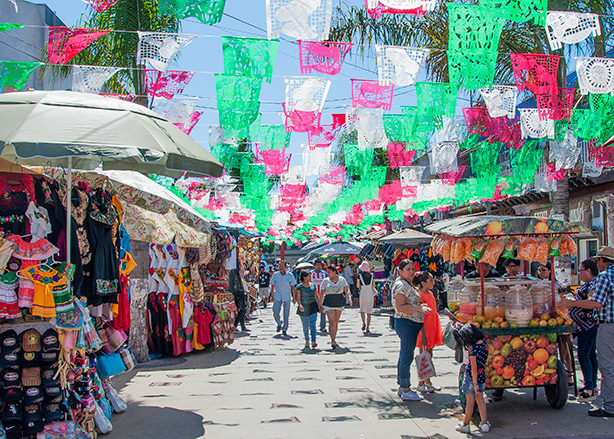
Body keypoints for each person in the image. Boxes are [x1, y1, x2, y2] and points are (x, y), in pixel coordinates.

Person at [559, 246, 614, 417]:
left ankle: (610, 406)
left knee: (607, 366)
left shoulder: (605, 276)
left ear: (603, 261)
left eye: (599, 260)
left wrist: (572, 303)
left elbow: (597, 303)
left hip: (607, 325)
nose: (598, 263)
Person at [392, 259, 430, 402]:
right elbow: (400, 306)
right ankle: (406, 387)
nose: (411, 272)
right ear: (400, 271)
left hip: (412, 323)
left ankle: (403, 385)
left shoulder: (407, 284)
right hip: (406, 323)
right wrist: (419, 308)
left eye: (412, 269)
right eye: (408, 269)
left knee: (405, 354)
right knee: (406, 355)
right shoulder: (401, 286)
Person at [567, 259, 600, 400]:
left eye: (580, 269)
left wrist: (573, 303)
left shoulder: (593, 284)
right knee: (591, 355)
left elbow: (591, 302)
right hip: (586, 326)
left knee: (584, 355)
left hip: (588, 326)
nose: (578, 273)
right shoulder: (588, 284)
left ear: (588, 271)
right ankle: (592, 384)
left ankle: (589, 388)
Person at [453, 323, 490, 433]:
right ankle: (484, 423)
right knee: (480, 400)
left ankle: (466, 424)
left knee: (470, 402)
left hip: (471, 378)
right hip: (481, 376)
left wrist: (474, 384)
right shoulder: (485, 346)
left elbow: (473, 368)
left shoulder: (473, 351)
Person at [414, 271, 444, 393]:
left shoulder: (430, 293)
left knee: (429, 353)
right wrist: (424, 334)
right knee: (424, 355)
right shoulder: (420, 295)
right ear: (423, 283)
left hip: (432, 325)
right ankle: (422, 382)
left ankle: (427, 381)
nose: (433, 282)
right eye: (430, 280)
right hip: (424, 328)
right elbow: (420, 315)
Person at [319, 266, 352, 349]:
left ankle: (334, 338)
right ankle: (332, 340)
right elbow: (322, 293)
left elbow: (346, 289)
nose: (328, 274)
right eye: (328, 272)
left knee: (336, 322)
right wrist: (320, 304)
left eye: (329, 272)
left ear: (334, 272)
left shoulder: (342, 279)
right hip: (328, 301)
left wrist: (349, 298)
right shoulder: (325, 281)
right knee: (331, 321)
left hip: (339, 301)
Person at [269, 261, 297, 337]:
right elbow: (272, 285)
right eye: (279, 266)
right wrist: (271, 295)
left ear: (286, 267)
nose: (280, 267)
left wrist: (294, 297)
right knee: (275, 311)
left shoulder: (290, 275)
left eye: (282, 266)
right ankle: (279, 323)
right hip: (277, 295)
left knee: (286, 313)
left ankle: (285, 329)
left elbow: (293, 287)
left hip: (287, 295)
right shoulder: (275, 275)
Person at [295, 271, 319, 349]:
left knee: (313, 324)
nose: (310, 277)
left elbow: (317, 296)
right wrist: (300, 305)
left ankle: (313, 341)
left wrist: (320, 305)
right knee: (305, 325)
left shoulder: (313, 286)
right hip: (304, 307)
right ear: (304, 277)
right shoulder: (299, 287)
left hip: (312, 306)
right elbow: (298, 297)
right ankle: (307, 340)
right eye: (308, 276)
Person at [357, 261, 375, 333]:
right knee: (369, 312)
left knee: (362, 310)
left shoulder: (359, 276)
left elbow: (358, 286)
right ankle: (367, 327)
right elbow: (373, 285)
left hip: (363, 294)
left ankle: (363, 323)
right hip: (370, 294)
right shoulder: (372, 275)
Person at [310, 259, 328, 333]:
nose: (318, 266)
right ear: (314, 266)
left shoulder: (324, 273)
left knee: (323, 310)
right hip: (313, 294)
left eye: (319, 265)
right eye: (316, 265)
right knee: (313, 311)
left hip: (322, 294)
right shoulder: (311, 273)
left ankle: (323, 326)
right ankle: (311, 325)